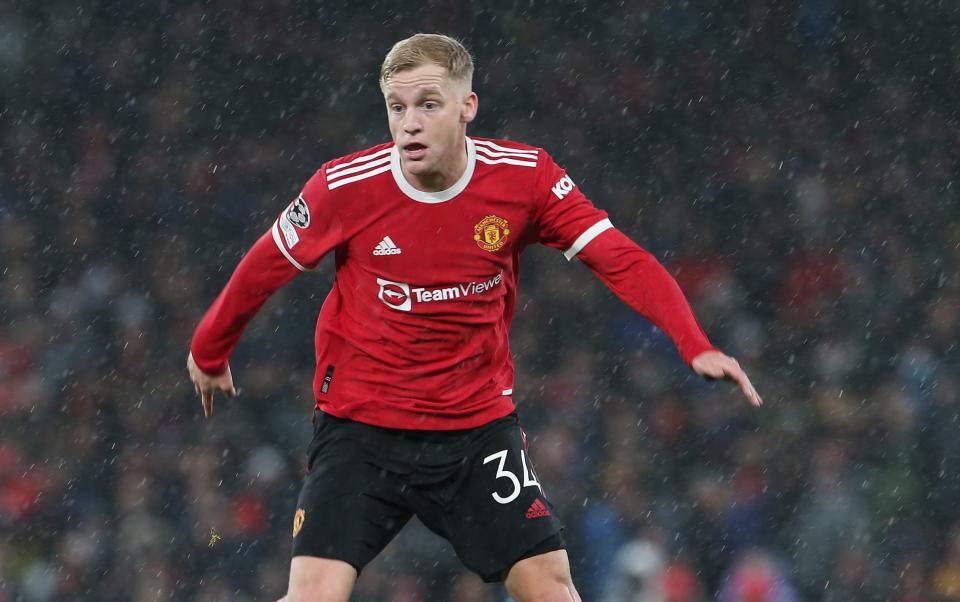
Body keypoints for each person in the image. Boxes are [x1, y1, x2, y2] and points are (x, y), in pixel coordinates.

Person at [186, 33, 762, 602]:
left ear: (468, 107)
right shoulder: (344, 187)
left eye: (428, 104)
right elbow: (264, 263)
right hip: (359, 430)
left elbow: (621, 259)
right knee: (312, 595)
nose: (409, 123)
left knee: (553, 590)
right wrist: (209, 349)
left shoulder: (524, 179)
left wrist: (694, 343)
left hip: (474, 433)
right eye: (397, 107)